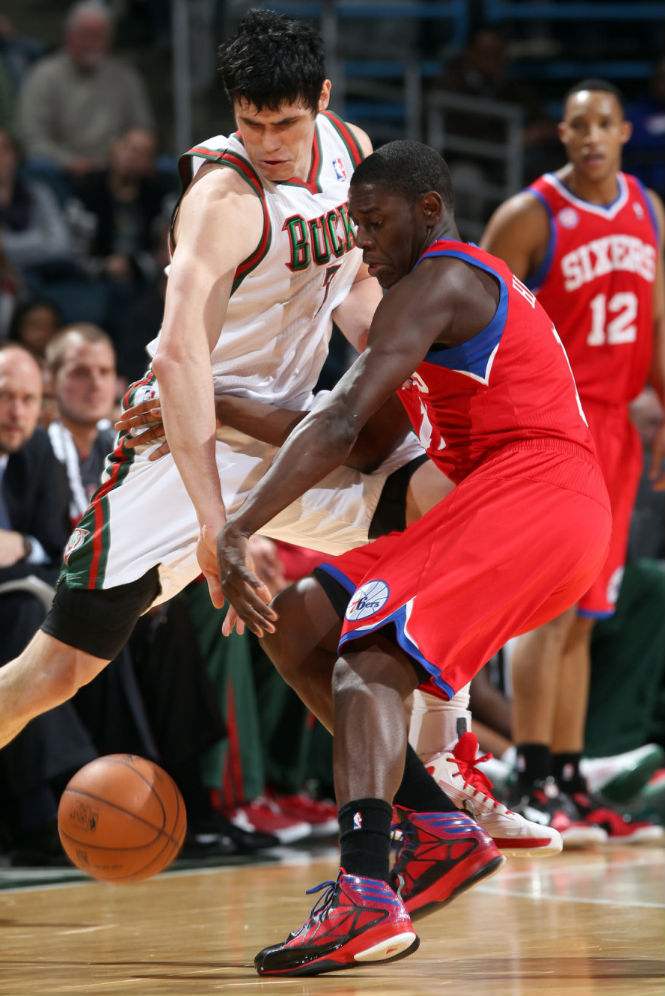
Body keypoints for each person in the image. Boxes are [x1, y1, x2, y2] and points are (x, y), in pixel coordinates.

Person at [0, 9, 501, 887]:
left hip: (297, 427)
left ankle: (440, 799)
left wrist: (387, 376)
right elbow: (181, 355)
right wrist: (214, 524)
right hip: (185, 443)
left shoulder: (351, 152)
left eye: (285, 122)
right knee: (55, 671)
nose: (268, 141)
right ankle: (431, 803)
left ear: (323, 102)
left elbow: (344, 289)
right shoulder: (220, 201)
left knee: (454, 519)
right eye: (250, 121)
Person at [214, 139, 611, 976]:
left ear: (427, 211)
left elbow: (334, 425)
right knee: (298, 625)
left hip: (540, 493)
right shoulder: (422, 310)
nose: (361, 241)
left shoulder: (441, 279)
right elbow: (362, 444)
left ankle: (366, 894)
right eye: (355, 224)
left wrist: (238, 525)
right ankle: (433, 831)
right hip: (517, 502)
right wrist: (213, 407)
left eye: (373, 221)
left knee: (367, 651)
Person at [477, 78, 665, 843]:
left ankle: (562, 771)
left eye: (603, 124)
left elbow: (655, 325)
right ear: (561, 134)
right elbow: (471, 317)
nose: (590, 136)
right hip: (554, 428)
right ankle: (527, 771)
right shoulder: (528, 216)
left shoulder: (649, 211)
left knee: (587, 615)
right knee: (549, 611)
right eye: (576, 124)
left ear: (624, 132)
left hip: (618, 430)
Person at [16, 1, 154, 192]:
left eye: (99, 36)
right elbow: (32, 139)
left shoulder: (125, 76)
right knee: (37, 167)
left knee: (165, 166)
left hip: (117, 168)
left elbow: (142, 127)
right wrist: (70, 162)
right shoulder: (44, 75)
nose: (92, 43)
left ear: (110, 40)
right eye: (86, 35)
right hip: (63, 171)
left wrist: (134, 151)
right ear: (69, 37)